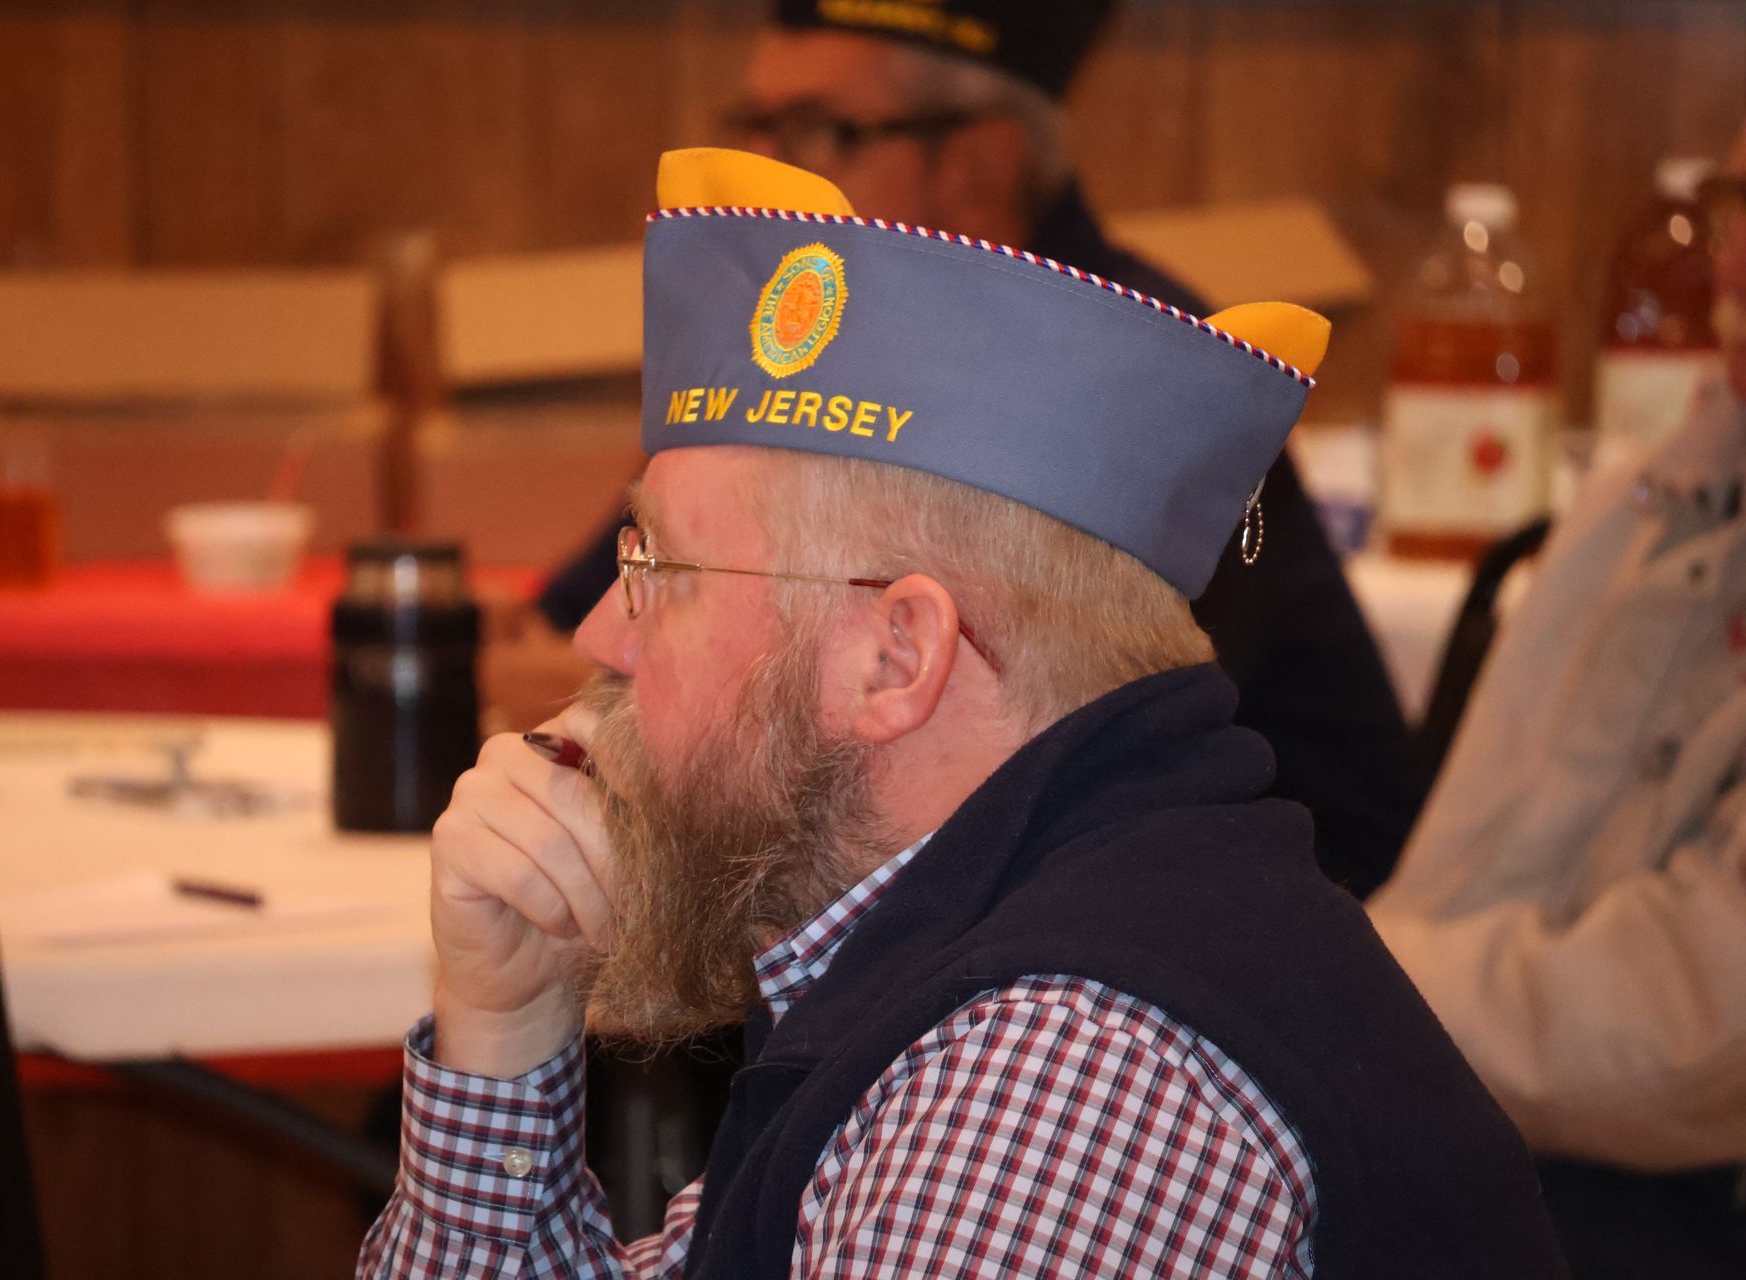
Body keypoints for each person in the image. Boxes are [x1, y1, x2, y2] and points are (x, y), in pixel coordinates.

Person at [357, 146, 1562, 1279]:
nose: (598, 637)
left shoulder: (1064, 1083)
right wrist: (506, 1031)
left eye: (657, 572)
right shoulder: (958, 950)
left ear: (897, 657)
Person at [536, 0, 1422, 899]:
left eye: (818, 129)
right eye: (753, 124)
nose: (763, 169)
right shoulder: (854, 348)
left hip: (1224, 927)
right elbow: (597, 621)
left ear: (976, 166)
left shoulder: (1132, 380)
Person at [1366, 126, 1746, 1278]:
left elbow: (1706, 1027)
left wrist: (1353, 994)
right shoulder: (1644, 496)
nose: (1730, 260)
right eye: (1734, 204)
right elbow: (1465, 863)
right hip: (1509, 1135)